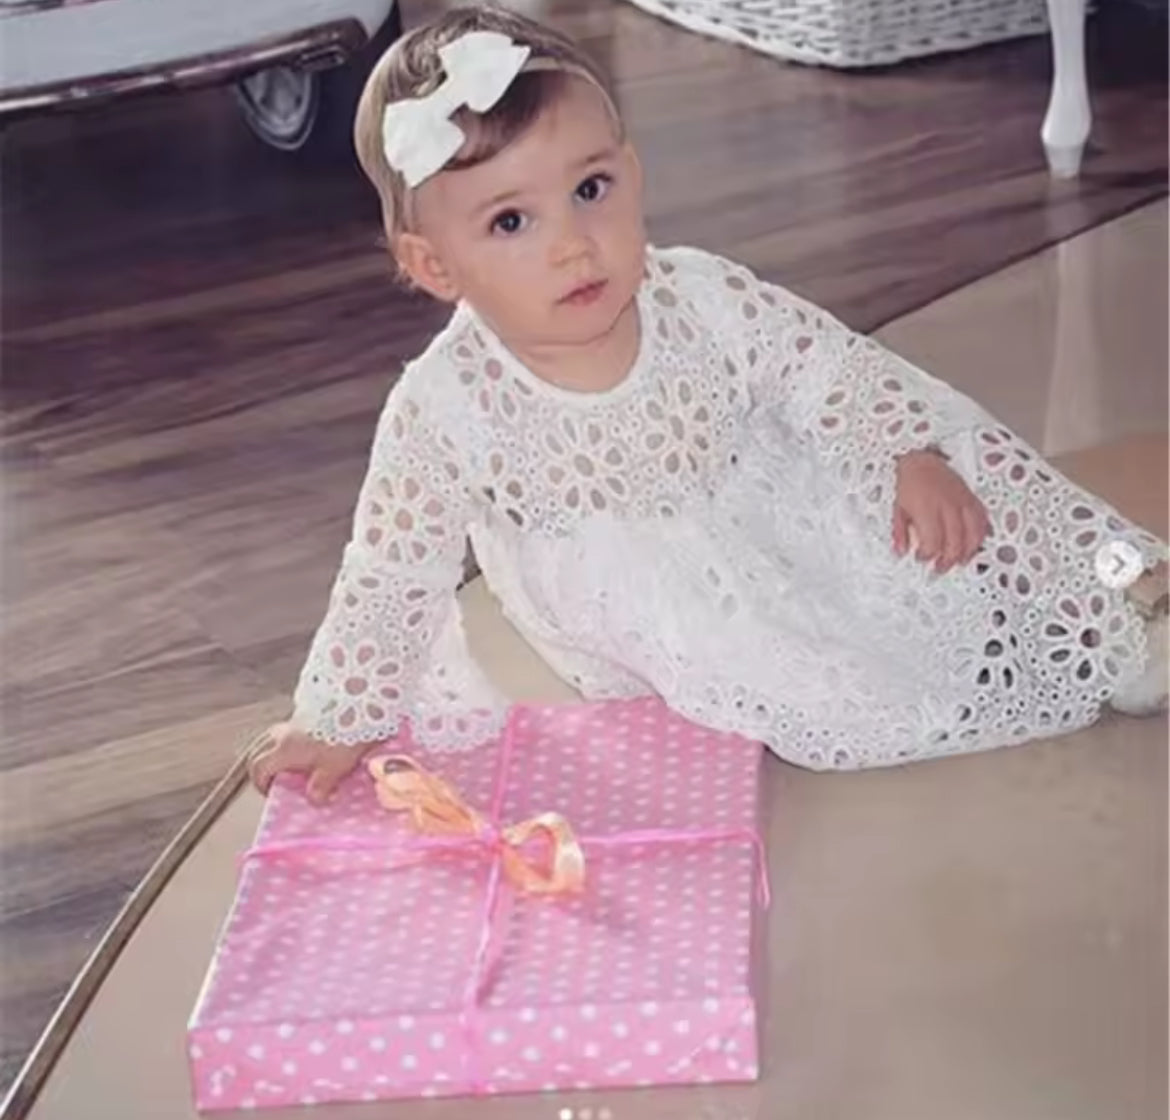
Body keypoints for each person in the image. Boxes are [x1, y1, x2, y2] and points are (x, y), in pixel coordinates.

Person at [248, 5, 1167, 804]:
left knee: (962, 459)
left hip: (776, 488)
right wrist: (337, 715)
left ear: (633, 171)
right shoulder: (445, 408)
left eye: (591, 189)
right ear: (434, 265)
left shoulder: (698, 293)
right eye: (512, 222)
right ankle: (1003, 665)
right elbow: (392, 570)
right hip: (670, 598)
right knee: (821, 668)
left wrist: (905, 452)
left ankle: (1116, 601)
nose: (574, 244)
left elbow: (823, 366)